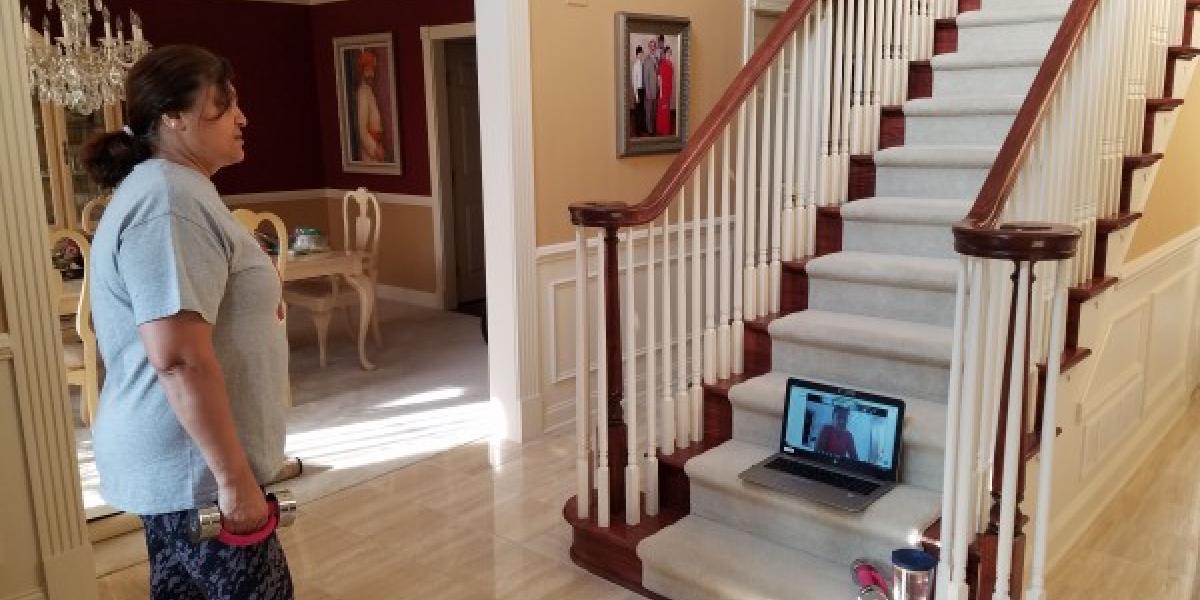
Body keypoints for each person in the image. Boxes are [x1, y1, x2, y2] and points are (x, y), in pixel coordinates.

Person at [82, 45, 293, 600]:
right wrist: (234, 482)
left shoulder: (176, 190)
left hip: (186, 466)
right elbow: (178, 358)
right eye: (224, 105)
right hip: (195, 473)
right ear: (173, 117)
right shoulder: (168, 201)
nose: (242, 117)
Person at [355, 49, 387, 162]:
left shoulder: (369, 90)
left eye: (373, 70)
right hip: (370, 152)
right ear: (362, 70)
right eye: (368, 70)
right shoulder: (363, 92)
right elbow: (362, 129)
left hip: (377, 144)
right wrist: (374, 148)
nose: (371, 74)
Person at [656, 46, 675, 136]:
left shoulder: (671, 63)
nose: (669, 53)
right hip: (663, 90)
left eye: (670, 52)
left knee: (667, 109)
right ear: (665, 53)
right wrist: (661, 92)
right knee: (663, 108)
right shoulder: (662, 63)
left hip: (669, 88)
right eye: (668, 52)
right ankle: (662, 129)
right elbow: (659, 78)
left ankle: (666, 128)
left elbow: (671, 77)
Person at [643, 39, 660, 135]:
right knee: (648, 112)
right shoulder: (646, 60)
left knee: (654, 112)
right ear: (649, 47)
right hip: (649, 91)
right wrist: (648, 92)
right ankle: (649, 130)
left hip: (656, 90)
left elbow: (658, 75)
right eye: (651, 46)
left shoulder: (657, 59)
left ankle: (653, 128)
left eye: (654, 46)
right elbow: (645, 78)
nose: (653, 48)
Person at [631, 45, 646, 136]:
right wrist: (636, 94)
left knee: (642, 110)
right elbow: (634, 81)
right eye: (639, 53)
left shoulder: (642, 64)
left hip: (643, 89)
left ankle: (641, 127)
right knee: (637, 111)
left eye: (642, 53)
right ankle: (637, 130)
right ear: (637, 55)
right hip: (638, 90)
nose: (641, 55)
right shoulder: (635, 66)